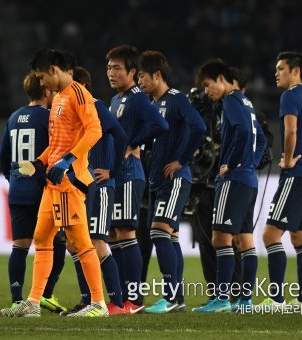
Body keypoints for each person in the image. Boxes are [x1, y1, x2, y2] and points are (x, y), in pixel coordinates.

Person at [0, 48, 106, 317]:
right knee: (41, 238)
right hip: (53, 181)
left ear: (54, 70)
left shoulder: (79, 93)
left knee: (80, 243)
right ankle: (34, 302)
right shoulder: (58, 98)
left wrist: (67, 161)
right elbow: (57, 144)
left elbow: (95, 130)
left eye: (41, 76)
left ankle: (98, 303)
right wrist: (38, 163)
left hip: (69, 181)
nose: (41, 83)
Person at [192, 59, 266, 313]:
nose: (206, 91)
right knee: (245, 240)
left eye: (208, 85)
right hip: (248, 180)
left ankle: (222, 298)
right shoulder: (246, 102)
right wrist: (251, 163)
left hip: (234, 180)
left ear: (222, 79)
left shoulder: (231, 102)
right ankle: (244, 300)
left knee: (220, 238)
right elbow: (262, 138)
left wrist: (232, 164)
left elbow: (244, 132)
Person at [137, 51, 206, 313]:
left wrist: (182, 159)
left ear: (157, 75)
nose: (140, 81)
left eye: (142, 76)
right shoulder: (152, 104)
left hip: (175, 178)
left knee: (158, 232)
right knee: (170, 237)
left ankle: (171, 297)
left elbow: (198, 127)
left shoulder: (176, 100)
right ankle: (176, 299)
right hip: (156, 181)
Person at [106, 45, 169, 313]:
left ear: (132, 71)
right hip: (115, 174)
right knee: (113, 235)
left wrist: (134, 143)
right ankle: (120, 299)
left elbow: (160, 125)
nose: (111, 73)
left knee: (126, 233)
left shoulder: (137, 97)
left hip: (131, 174)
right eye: (108, 67)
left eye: (116, 68)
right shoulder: (116, 100)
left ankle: (134, 299)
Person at [61, 66, 127, 316]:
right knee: (74, 242)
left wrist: (113, 170)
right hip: (82, 187)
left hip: (100, 186)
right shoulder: (76, 112)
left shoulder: (96, 105)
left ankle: (117, 303)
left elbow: (120, 135)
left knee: (97, 241)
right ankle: (87, 298)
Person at [0, 72, 67, 313]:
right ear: (47, 91)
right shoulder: (49, 118)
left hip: (18, 191)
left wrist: (15, 180)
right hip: (42, 191)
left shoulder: (14, 117)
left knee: (19, 246)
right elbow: (57, 151)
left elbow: (3, 158)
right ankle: (44, 295)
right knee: (55, 243)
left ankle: (17, 299)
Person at [257, 52, 302, 312]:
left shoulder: (290, 96)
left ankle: (277, 299)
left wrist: (290, 159)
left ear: (295, 71)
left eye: (281, 68)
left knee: (270, 235)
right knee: (300, 237)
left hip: (295, 175)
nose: (276, 73)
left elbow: (292, 130)